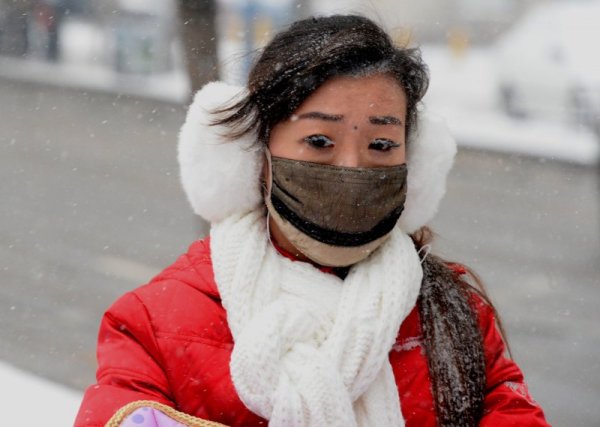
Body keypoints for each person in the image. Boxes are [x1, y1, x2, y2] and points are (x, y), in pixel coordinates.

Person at [75, 14, 549, 427]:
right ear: (257, 157)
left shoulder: (455, 310)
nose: (351, 167)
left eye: (381, 145)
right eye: (319, 141)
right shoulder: (152, 324)